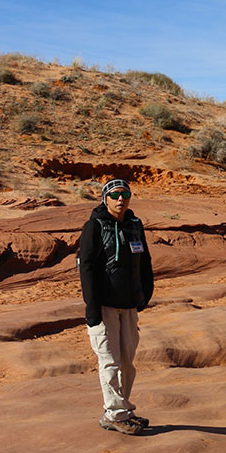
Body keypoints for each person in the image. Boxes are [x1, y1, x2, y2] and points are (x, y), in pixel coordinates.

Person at [78, 178, 154, 435]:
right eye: (115, 195)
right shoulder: (95, 226)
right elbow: (86, 267)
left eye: (125, 194)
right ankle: (114, 413)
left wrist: (146, 292)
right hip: (105, 306)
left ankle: (123, 410)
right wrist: (92, 307)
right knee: (109, 361)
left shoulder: (135, 224)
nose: (121, 199)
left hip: (129, 305)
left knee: (127, 363)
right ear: (105, 199)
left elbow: (145, 261)